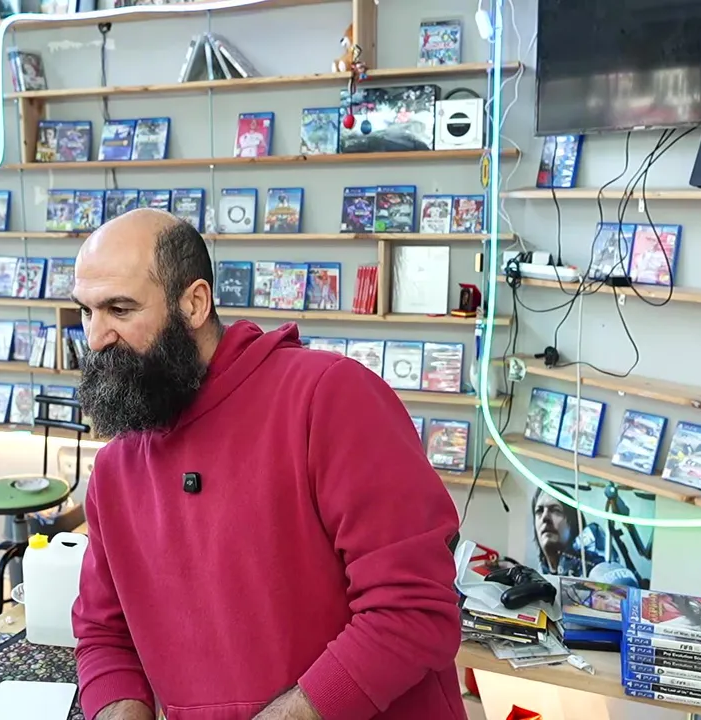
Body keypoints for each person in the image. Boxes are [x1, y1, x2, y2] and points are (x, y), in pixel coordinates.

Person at [70, 208, 465, 720]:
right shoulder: (114, 469)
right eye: (87, 311)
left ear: (194, 304)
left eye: (120, 309)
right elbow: (103, 634)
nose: (95, 338)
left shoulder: (328, 397)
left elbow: (412, 607)